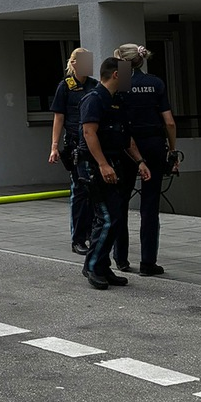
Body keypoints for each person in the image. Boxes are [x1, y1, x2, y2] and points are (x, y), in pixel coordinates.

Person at [76, 58, 151, 290]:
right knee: (108, 217)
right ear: (116, 75)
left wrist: (140, 161)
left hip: (113, 161)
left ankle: (101, 266)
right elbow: (89, 133)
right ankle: (94, 267)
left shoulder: (117, 100)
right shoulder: (94, 99)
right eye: (127, 74)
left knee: (115, 217)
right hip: (94, 164)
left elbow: (126, 137)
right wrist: (102, 164)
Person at [115, 43, 178, 277]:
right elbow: (169, 122)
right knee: (150, 205)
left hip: (126, 147)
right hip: (153, 145)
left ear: (122, 62)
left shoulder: (120, 84)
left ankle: (120, 258)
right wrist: (172, 151)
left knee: (120, 202)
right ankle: (148, 262)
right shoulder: (155, 83)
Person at [49, 48, 99, 256]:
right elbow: (58, 118)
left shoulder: (94, 85)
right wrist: (54, 146)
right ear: (74, 63)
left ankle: (92, 234)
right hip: (75, 143)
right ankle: (78, 239)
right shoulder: (66, 86)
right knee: (79, 191)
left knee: (93, 192)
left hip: (93, 141)